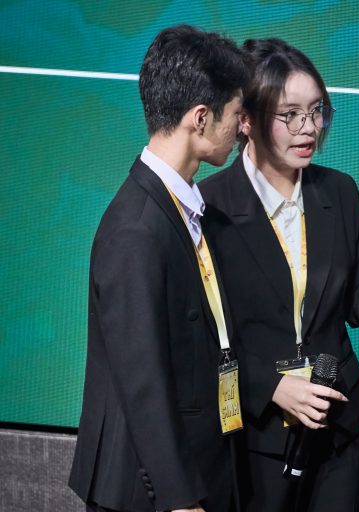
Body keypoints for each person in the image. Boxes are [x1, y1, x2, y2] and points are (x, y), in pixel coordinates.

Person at [199, 38, 359, 512]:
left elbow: (357, 300)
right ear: (246, 120)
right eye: (289, 114)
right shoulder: (210, 207)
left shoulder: (339, 191)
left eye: (317, 112)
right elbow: (200, 335)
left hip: (337, 431)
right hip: (255, 434)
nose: (308, 128)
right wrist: (268, 386)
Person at [68, 25, 249, 512]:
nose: (242, 128)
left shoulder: (183, 205)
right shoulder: (136, 228)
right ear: (201, 118)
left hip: (198, 464)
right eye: (237, 114)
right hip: (148, 491)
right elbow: (142, 378)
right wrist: (179, 498)